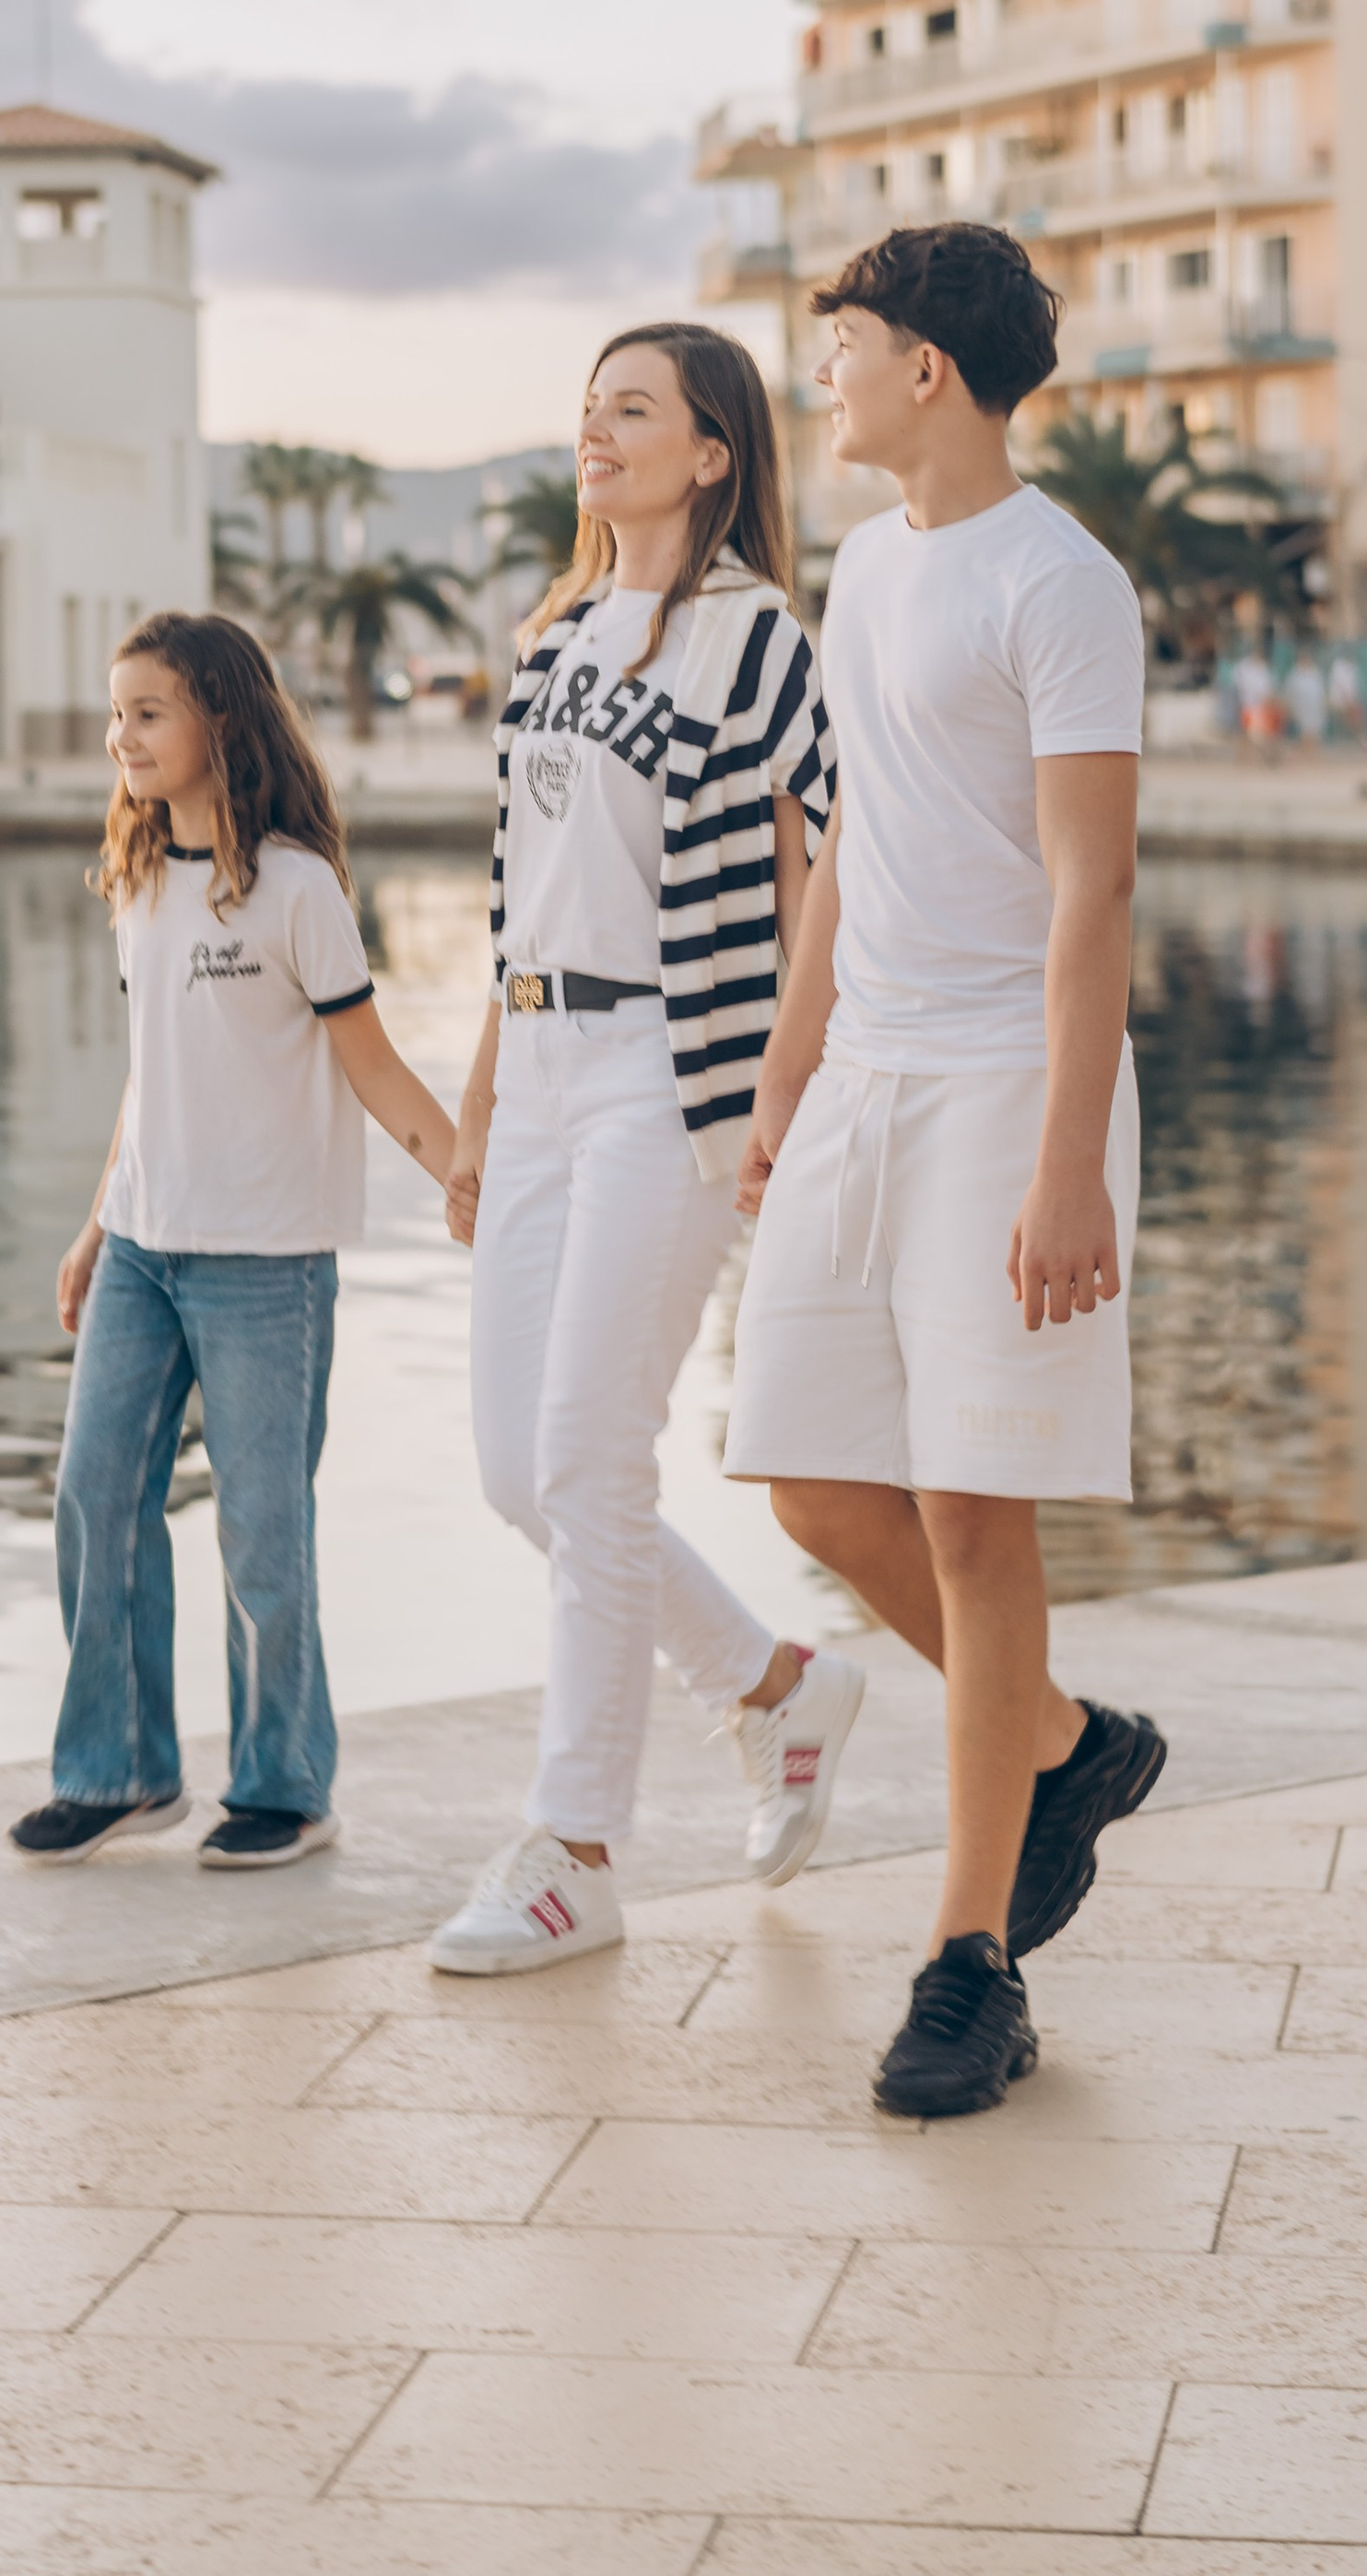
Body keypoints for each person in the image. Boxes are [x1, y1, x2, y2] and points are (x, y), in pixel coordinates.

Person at [724, 223, 1164, 2120]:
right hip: (864, 1080)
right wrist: (782, 1063)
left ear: (928, 369)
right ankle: (1057, 1743)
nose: (816, 373)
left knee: (979, 1524)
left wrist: (1065, 1164)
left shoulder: (1062, 585)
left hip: (1006, 1084)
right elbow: (849, 841)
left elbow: (1092, 891)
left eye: (841, 344)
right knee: (815, 1489)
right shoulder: (862, 563)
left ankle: (966, 1957)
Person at [430, 323, 861, 1977]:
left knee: (592, 1454)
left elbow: (827, 870)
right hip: (536, 1064)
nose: (596, 434)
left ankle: (577, 1850)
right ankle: (773, 1687)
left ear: (711, 455)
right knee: (513, 1471)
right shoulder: (549, 643)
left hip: (671, 1075)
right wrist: (476, 1103)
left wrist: (781, 1087)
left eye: (634, 410)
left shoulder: (763, 650)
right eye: (587, 408)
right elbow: (519, 901)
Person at [10, 612, 456, 1873]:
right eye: (116, 715)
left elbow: (372, 1068)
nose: (122, 737)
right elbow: (152, 1079)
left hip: (268, 1262)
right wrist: (98, 1223)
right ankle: (120, 1772)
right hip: (144, 1250)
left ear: (220, 717)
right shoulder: (140, 879)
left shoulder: (299, 891)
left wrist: (467, 1173)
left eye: (147, 713)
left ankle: (283, 1783)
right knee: (95, 1501)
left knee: (263, 1529)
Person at [1282, 646, 1328, 750]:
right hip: (1302, 707)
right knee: (1305, 731)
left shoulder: (1316, 672)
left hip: (1315, 706)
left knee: (1315, 732)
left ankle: (1313, 753)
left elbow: (1321, 690)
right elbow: (1289, 693)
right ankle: (1304, 752)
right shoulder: (1294, 674)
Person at [1326, 646, 1367, 746]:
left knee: (1359, 712)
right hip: (1337, 700)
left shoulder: (1353, 668)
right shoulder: (1338, 666)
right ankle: (1358, 738)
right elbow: (1340, 686)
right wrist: (1348, 700)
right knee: (1352, 714)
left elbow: (1354, 689)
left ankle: (1361, 737)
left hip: (1350, 701)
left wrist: (1353, 700)